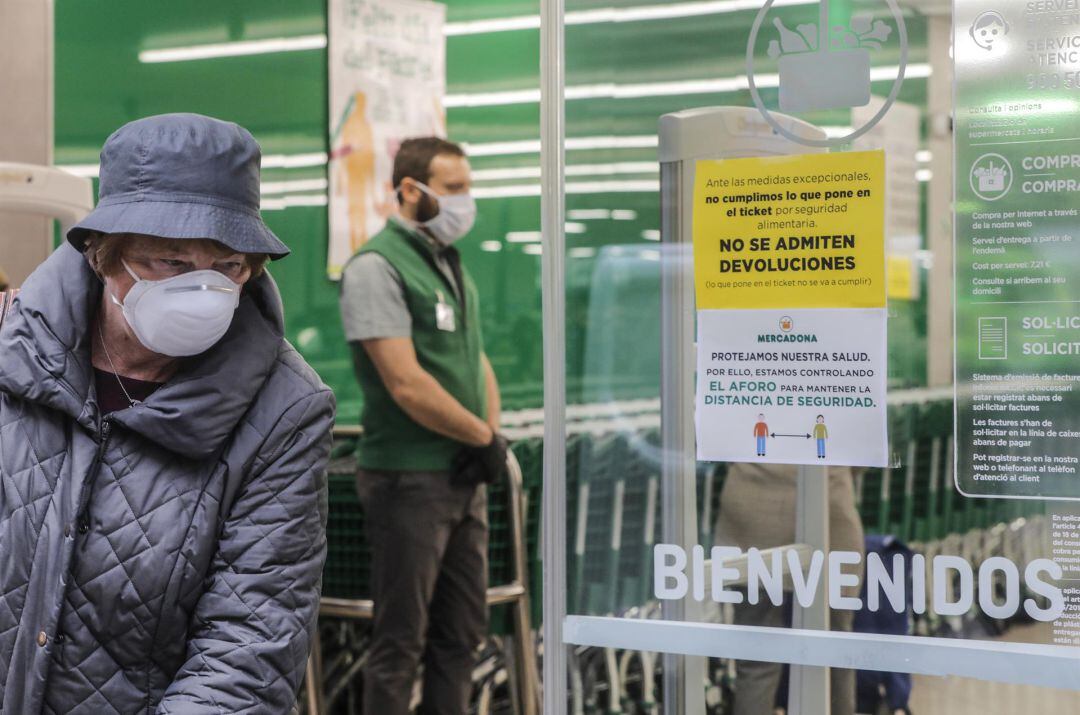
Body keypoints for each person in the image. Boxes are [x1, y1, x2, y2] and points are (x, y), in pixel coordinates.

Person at [0, 113, 336, 713]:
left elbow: (246, 651)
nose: (201, 290)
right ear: (105, 256)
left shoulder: (284, 411)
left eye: (228, 267)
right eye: (171, 263)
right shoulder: (12, 358)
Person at [339, 136, 505, 715]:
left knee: (461, 636)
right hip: (407, 480)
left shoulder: (449, 263)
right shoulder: (375, 267)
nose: (466, 200)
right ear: (411, 190)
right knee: (400, 642)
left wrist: (488, 432)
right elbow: (405, 382)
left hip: (461, 474)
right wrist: (482, 439)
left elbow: (473, 356)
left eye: (467, 187)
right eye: (454, 188)